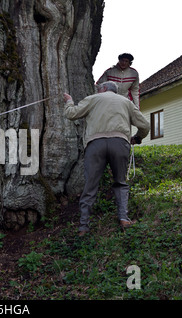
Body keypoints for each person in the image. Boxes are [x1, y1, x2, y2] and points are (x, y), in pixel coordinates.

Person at [63, 81, 150, 236]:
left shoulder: (93, 99)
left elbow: (71, 114)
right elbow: (145, 125)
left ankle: (83, 227)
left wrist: (69, 101)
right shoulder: (126, 102)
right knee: (120, 183)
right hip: (119, 142)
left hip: (95, 144)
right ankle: (124, 218)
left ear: (103, 89)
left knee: (90, 186)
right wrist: (137, 138)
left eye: (99, 88)